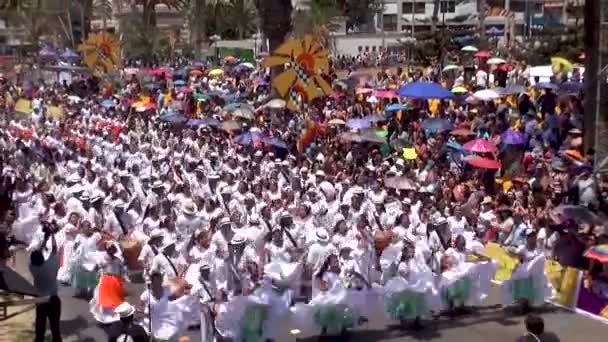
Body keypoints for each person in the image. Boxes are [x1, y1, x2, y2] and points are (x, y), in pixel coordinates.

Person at [29, 223, 62, 342]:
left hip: (41, 301)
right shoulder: (51, 264)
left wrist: (45, 238)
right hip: (54, 299)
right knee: (55, 328)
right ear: (43, 258)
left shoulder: (33, 268)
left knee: (40, 326)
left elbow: (37, 253)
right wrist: (51, 234)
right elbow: (54, 249)